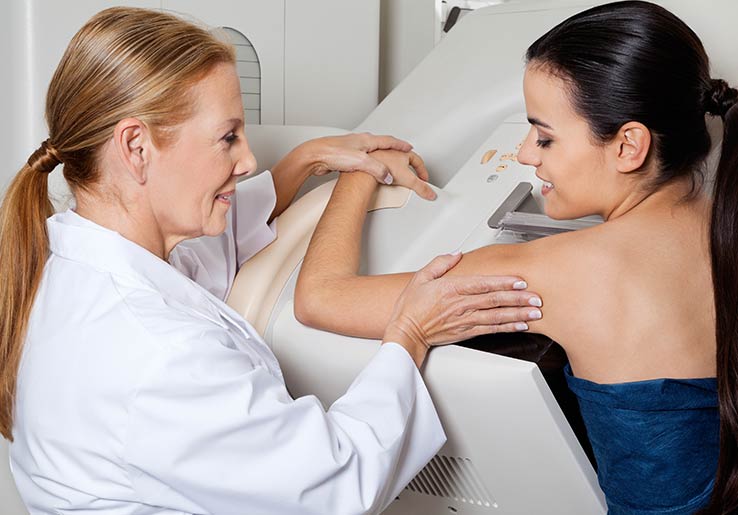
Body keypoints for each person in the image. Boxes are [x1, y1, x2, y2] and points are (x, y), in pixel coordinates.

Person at [0, 7, 544, 515]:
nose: (248, 158)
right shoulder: (158, 356)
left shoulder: (66, 254)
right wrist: (410, 332)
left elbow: (207, 254)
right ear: (137, 148)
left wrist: (309, 160)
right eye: (227, 137)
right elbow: (335, 482)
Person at [295, 1, 733, 513]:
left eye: (544, 136)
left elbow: (319, 298)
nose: (525, 153)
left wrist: (360, 172)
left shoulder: (560, 271)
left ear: (628, 146)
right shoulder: (722, 225)